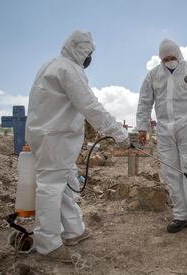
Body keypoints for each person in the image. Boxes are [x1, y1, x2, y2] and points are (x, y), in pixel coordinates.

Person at [26, 30, 129, 262]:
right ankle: (48, 244)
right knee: (51, 187)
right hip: (55, 137)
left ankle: (74, 230)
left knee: (66, 185)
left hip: (49, 135)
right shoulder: (68, 69)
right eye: (89, 52)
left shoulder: (49, 66)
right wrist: (119, 133)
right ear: (80, 49)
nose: (90, 57)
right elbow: (90, 106)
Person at [136, 39, 187, 241]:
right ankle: (182, 216)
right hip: (165, 130)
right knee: (171, 173)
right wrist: (142, 127)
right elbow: (145, 102)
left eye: (172, 57)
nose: (169, 61)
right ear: (160, 59)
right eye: (165, 59)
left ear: (179, 55)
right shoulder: (153, 76)